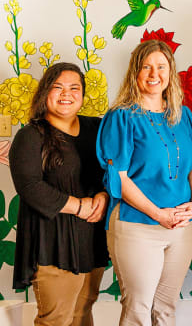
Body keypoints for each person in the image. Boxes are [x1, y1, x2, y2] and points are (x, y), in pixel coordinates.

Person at [96, 40, 192, 326]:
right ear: (135, 73)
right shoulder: (122, 117)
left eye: (161, 67)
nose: (154, 74)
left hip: (180, 229)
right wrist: (158, 214)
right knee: (138, 310)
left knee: (166, 309)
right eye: (146, 67)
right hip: (137, 226)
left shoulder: (184, 115)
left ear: (170, 72)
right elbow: (119, 178)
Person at [9, 62, 109, 326]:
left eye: (74, 88)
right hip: (52, 245)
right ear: (45, 93)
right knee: (56, 319)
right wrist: (79, 206)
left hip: (91, 240)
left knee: (83, 314)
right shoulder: (30, 135)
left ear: (83, 95)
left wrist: (104, 196)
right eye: (58, 87)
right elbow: (30, 187)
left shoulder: (97, 129)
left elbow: (116, 169)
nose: (67, 94)